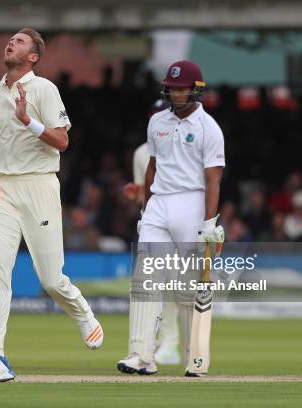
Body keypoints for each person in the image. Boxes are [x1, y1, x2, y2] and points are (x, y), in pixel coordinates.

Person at [0, 27, 103, 383]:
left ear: (33, 57)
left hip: (40, 185)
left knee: (51, 279)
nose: (11, 42)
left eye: (20, 41)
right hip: (3, 189)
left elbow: (62, 141)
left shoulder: (45, 89)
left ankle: (81, 312)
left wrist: (29, 120)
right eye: (10, 39)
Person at [117, 60, 225, 376]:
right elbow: (152, 168)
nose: (177, 93)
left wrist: (209, 223)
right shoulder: (157, 123)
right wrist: (145, 209)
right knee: (145, 278)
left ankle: (196, 358)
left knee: (189, 287)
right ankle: (141, 355)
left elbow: (213, 180)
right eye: (173, 88)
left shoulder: (209, 128)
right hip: (159, 203)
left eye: (182, 88)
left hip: (192, 203)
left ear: (195, 90)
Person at [123, 99, 185, 366]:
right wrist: (135, 197)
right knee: (150, 284)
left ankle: (172, 344)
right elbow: (144, 194)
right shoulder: (141, 153)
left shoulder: (187, 144)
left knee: (174, 286)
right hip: (153, 224)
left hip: (181, 223)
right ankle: (153, 345)